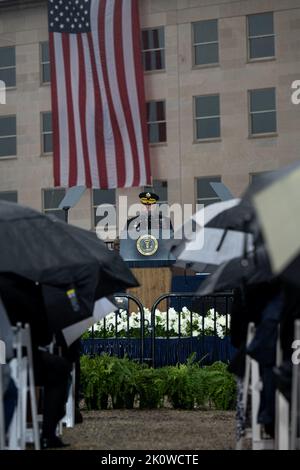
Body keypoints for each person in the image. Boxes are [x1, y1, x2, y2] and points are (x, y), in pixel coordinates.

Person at [0, 273, 72, 449]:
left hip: (4, 358)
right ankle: (48, 434)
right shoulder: (27, 289)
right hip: (26, 362)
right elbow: (44, 337)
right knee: (61, 368)